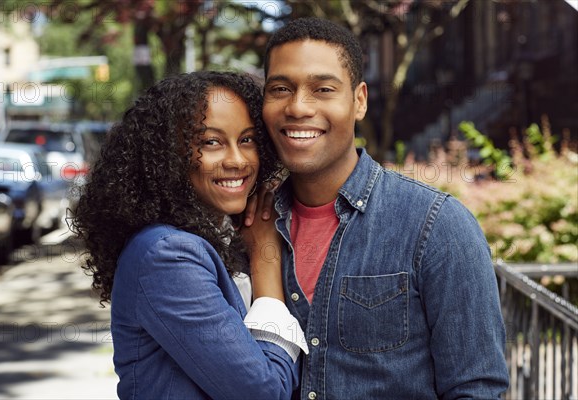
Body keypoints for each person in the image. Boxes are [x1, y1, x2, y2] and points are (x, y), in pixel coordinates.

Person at [259, 17, 510, 399]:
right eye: (281, 89)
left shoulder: (437, 226)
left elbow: (476, 388)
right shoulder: (252, 225)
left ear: (359, 100)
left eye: (323, 89)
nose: (298, 107)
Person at [72, 71, 308, 400]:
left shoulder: (226, 237)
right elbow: (262, 391)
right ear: (167, 156)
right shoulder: (166, 255)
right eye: (211, 142)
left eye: (247, 139)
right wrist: (266, 259)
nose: (237, 160)